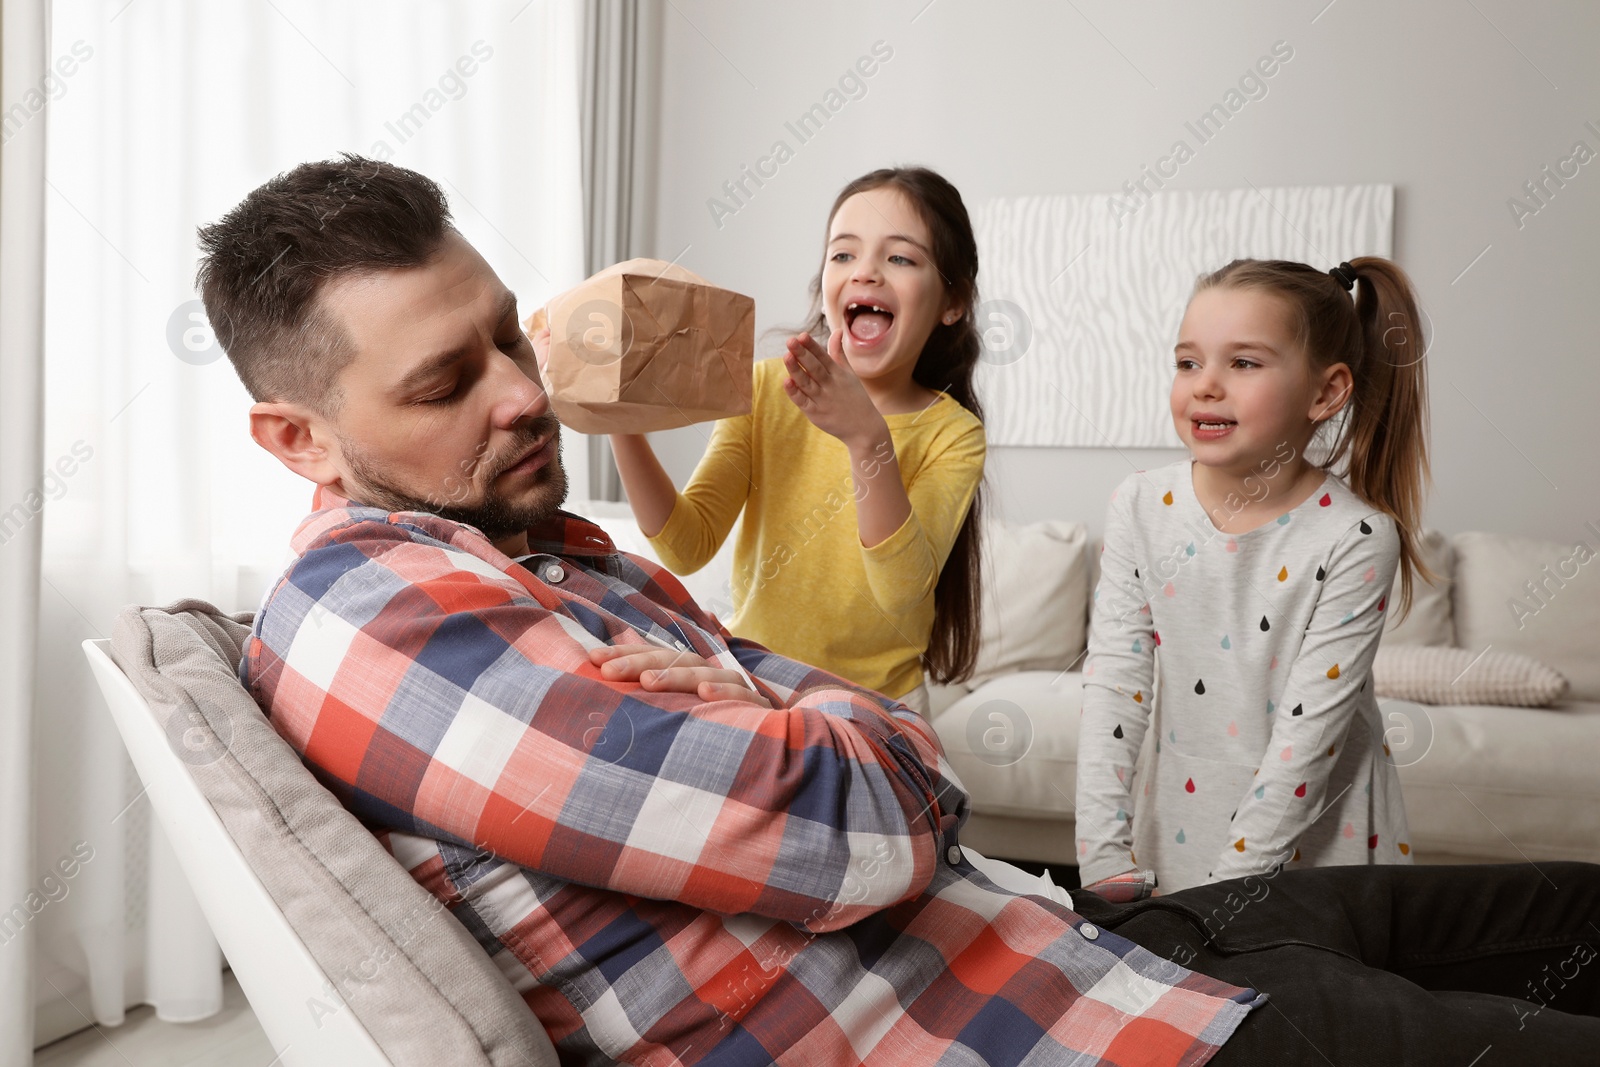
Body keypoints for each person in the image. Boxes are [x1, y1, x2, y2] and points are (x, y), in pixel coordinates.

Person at [199, 156, 1600, 1065]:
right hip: (1076, 1011)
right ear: (298, 438)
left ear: (947, 302)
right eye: (448, 383)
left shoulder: (557, 550)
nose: (520, 389)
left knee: (1554, 904)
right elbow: (859, 812)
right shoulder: (383, 613)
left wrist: (801, 687)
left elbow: (850, 628)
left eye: (513, 334)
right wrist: (644, 442)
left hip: (1061, 928)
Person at [1076, 257, 1430, 896]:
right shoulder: (1138, 504)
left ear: (1325, 393)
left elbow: (1306, 742)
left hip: (1316, 842)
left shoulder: (1356, 538)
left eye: (1243, 363)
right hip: (1178, 814)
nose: (1205, 386)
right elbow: (1115, 686)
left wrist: (1230, 894)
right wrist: (1102, 856)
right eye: (1188, 362)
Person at [605, 167, 987, 717]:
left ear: (952, 302)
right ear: (824, 288)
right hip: (758, 688)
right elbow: (686, 546)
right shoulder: (763, 390)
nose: (867, 274)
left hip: (879, 708)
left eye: (900, 258)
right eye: (843, 255)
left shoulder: (952, 435)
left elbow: (903, 593)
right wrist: (620, 418)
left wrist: (866, 439)